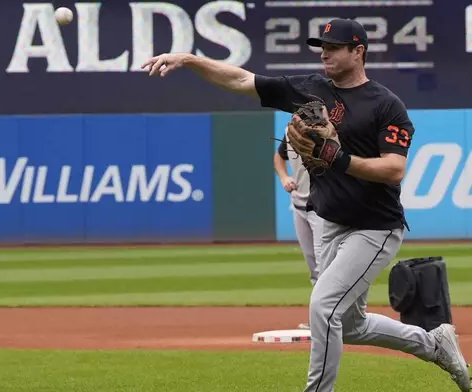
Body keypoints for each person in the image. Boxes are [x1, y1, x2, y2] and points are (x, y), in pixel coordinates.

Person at [142, 18, 470, 392]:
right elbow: (240, 80)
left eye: (333, 47)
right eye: (322, 46)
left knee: (323, 307)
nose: (324, 53)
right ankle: (435, 344)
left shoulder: (386, 105)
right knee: (351, 325)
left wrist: (339, 158)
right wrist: (188, 59)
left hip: (374, 226)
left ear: (358, 51)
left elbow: (394, 170)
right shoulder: (310, 90)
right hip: (330, 222)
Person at [274, 126, 324, 330]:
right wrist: (284, 177)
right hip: (299, 206)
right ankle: (318, 319)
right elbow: (278, 157)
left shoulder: (325, 133)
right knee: (313, 266)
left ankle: (330, 319)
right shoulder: (289, 131)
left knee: (324, 265)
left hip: (321, 207)